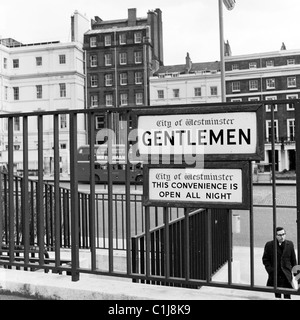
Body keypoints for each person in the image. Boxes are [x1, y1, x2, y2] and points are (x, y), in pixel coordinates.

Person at [262, 227, 297, 299]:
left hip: (286, 275)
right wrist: (271, 271)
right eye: (280, 235)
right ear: (275, 235)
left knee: (287, 295)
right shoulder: (269, 245)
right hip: (275, 275)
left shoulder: (290, 244)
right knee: (276, 296)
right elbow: (265, 259)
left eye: (283, 234)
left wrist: (296, 275)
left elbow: (293, 260)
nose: (282, 236)